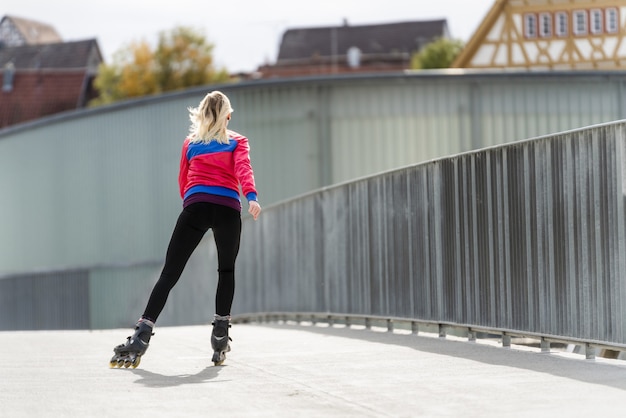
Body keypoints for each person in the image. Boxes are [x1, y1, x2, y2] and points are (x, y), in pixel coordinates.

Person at [110, 90, 261, 368]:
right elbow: (243, 169)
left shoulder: (190, 143)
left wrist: (192, 205)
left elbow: (183, 180)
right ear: (228, 116)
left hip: (196, 207)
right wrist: (251, 196)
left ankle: (142, 335)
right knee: (226, 271)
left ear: (202, 115)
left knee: (169, 273)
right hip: (228, 209)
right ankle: (220, 334)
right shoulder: (237, 141)